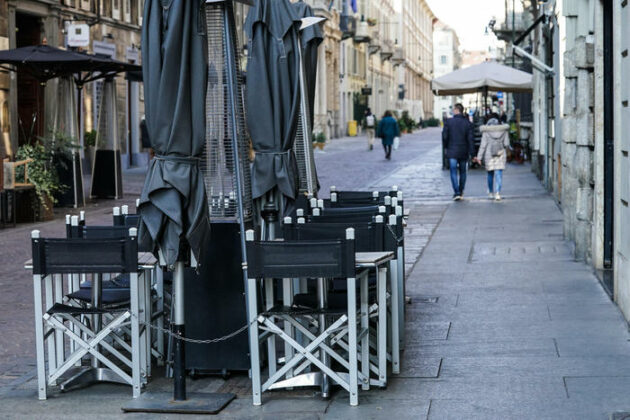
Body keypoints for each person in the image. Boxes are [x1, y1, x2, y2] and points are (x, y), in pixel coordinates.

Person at [473, 113, 510, 201]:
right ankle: (497, 193)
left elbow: (483, 145)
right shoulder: (504, 130)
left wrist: (479, 157)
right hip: (500, 153)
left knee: (490, 174)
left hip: (489, 154)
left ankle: (490, 192)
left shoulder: (486, 131)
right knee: (499, 174)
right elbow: (506, 144)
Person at [442, 103, 474, 200]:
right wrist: (472, 153)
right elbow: (470, 139)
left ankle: (456, 192)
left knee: (453, 171)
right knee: (463, 172)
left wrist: (446, 146)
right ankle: (461, 190)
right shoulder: (467, 123)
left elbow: (445, 136)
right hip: (463, 151)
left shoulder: (449, 122)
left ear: (456, 110)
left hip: (452, 150)